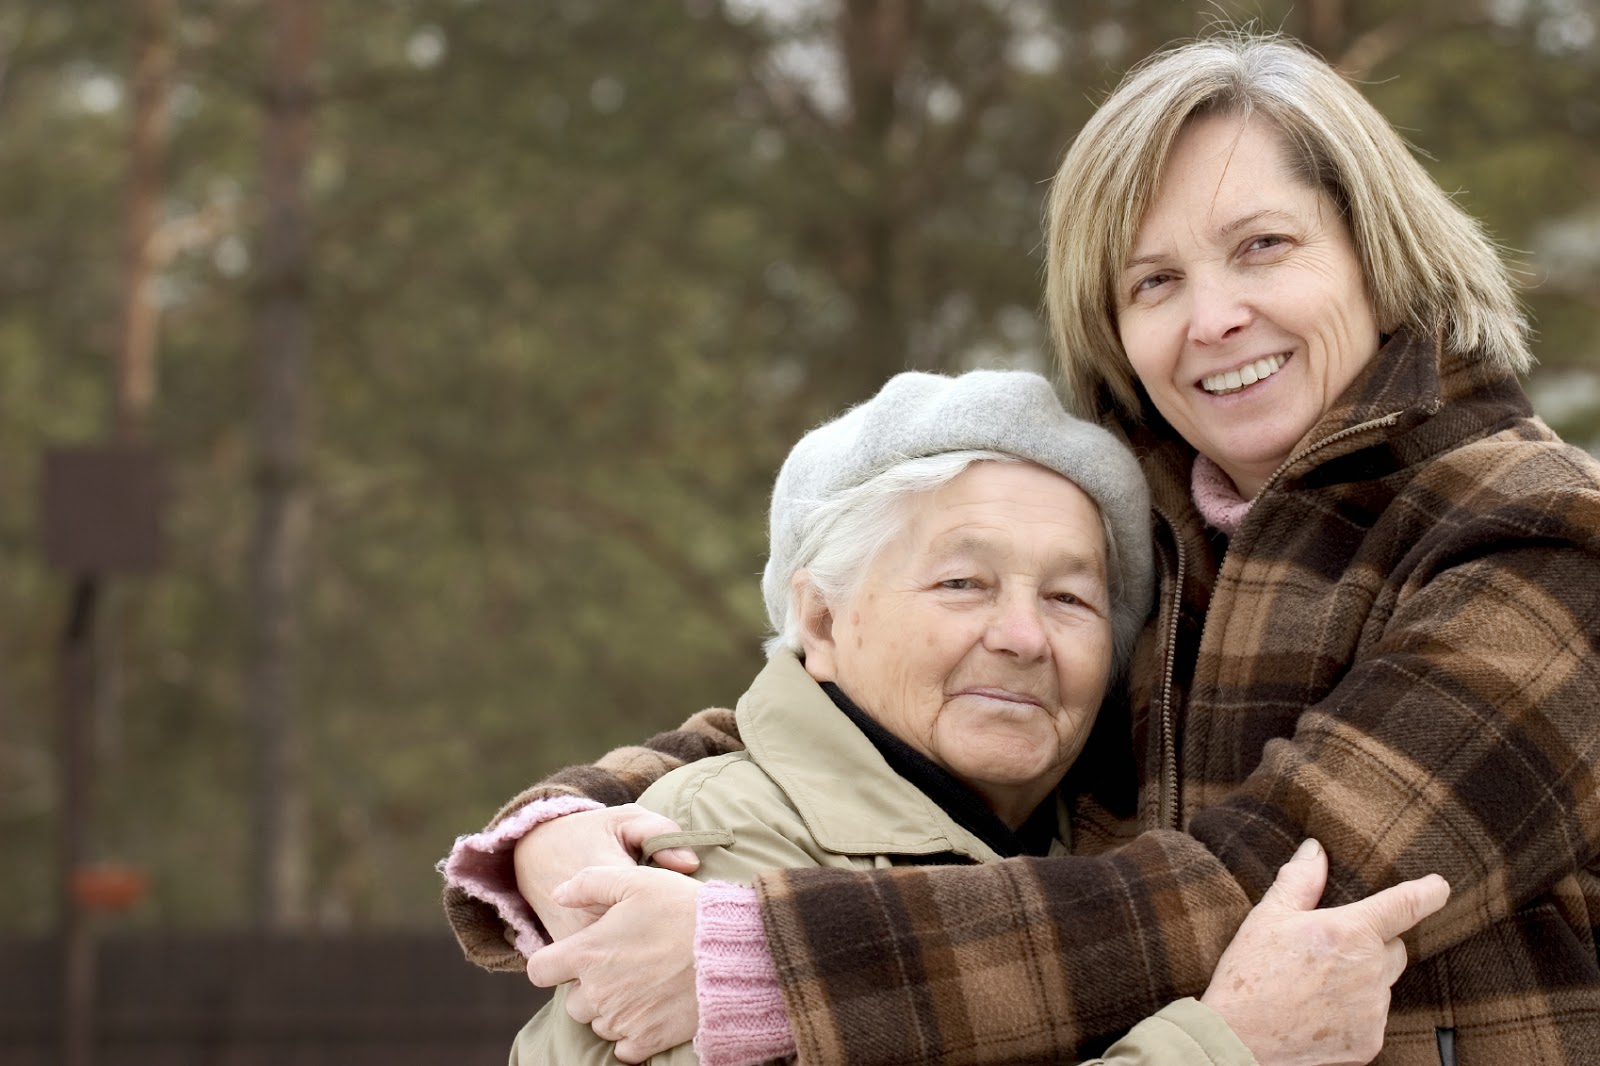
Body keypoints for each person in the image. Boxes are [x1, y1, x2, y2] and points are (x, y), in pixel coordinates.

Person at [441, 31, 1600, 1066]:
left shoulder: (1540, 536)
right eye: (1155, 281)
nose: (1212, 318)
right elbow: (844, 704)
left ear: (1372, 252)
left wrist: (760, 960)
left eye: (1261, 247)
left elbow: (1266, 882)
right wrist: (575, 827)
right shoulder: (1140, 536)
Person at [504, 369, 1449, 1064]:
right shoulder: (697, 869)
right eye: (963, 582)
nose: (1023, 636)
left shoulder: (1102, 841)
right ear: (823, 621)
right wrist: (1230, 1048)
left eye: (1073, 600)